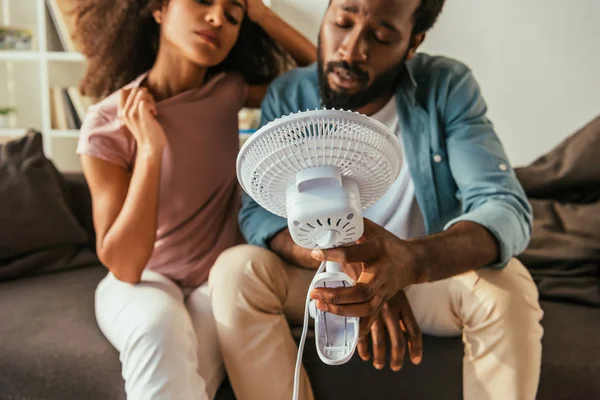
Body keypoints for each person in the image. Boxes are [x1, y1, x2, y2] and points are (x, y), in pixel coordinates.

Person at [208, 0, 544, 399]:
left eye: (380, 37)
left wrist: (408, 263)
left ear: (412, 43)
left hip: (424, 277)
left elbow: (503, 205)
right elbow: (259, 216)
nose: (350, 50)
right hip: (324, 278)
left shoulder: (447, 86)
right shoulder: (289, 95)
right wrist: (353, 264)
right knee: (235, 272)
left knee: (509, 289)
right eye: (342, 23)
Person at [73, 1, 315, 399]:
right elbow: (126, 266)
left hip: (215, 281)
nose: (218, 18)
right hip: (144, 280)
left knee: (195, 364)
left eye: (233, 13)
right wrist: (150, 151)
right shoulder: (107, 122)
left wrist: (263, 14)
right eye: (203, 0)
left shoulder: (229, 92)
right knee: (158, 325)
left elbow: (324, 80)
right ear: (159, 8)